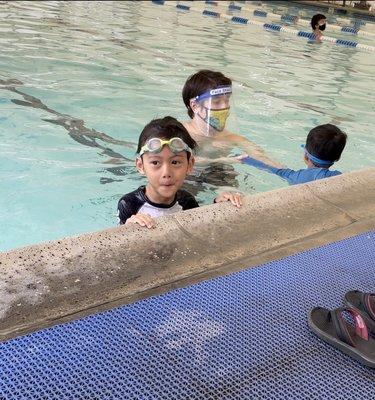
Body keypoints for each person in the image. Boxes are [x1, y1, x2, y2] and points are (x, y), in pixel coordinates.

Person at [118, 116, 243, 228]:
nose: (166, 173)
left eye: (175, 162)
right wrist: (129, 228)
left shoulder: (187, 201)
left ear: (189, 165)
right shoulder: (129, 204)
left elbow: (199, 231)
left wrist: (218, 206)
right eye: (155, 163)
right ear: (140, 166)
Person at [182, 69, 282, 168]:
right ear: (195, 106)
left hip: (219, 175)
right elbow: (175, 160)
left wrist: (284, 171)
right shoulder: (178, 132)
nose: (224, 106)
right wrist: (221, 161)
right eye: (216, 102)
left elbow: (262, 157)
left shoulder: (230, 138)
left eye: (227, 100)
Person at [236, 124, 347, 185]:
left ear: (305, 155)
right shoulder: (339, 177)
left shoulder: (296, 177)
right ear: (338, 158)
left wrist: (247, 159)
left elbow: (277, 170)